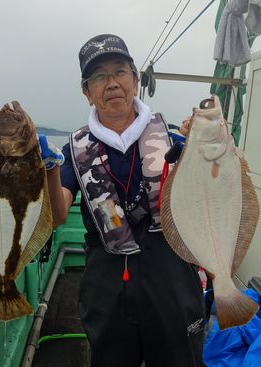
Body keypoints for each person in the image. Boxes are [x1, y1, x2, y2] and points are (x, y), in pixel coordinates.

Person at [41, 34, 205, 367]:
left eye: (119, 72)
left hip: (171, 275)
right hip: (106, 283)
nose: (112, 83)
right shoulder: (74, 150)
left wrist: (206, 149)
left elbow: (207, 199)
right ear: (87, 92)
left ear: (135, 80)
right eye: (99, 77)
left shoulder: (174, 139)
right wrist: (47, 169)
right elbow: (58, 215)